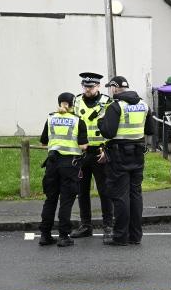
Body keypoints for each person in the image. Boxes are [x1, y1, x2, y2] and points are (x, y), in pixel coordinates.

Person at [98, 76, 154, 246]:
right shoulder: (143, 104)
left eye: (110, 88)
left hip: (119, 155)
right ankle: (135, 236)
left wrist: (101, 121)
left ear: (114, 88)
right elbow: (150, 130)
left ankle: (120, 236)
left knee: (120, 196)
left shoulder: (116, 106)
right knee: (135, 194)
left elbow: (108, 132)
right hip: (138, 154)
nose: (110, 91)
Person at [39, 92, 88, 247]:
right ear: (73, 104)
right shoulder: (77, 120)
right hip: (70, 165)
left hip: (52, 163)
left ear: (59, 103)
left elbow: (43, 142)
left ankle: (45, 235)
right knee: (66, 201)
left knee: (50, 200)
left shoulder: (50, 118)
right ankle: (63, 236)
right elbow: (83, 146)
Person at [70, 72, 114, 238]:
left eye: (91, 86)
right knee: (82, 192)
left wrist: (107, 150)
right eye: (85, 86)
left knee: (105, 191)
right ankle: (86, 225)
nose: (87, 89)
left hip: (99, 152)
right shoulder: (76, 101)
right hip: (81, 153)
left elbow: (111, 128)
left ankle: (108, 226)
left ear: (98, 86)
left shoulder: (107, 103)